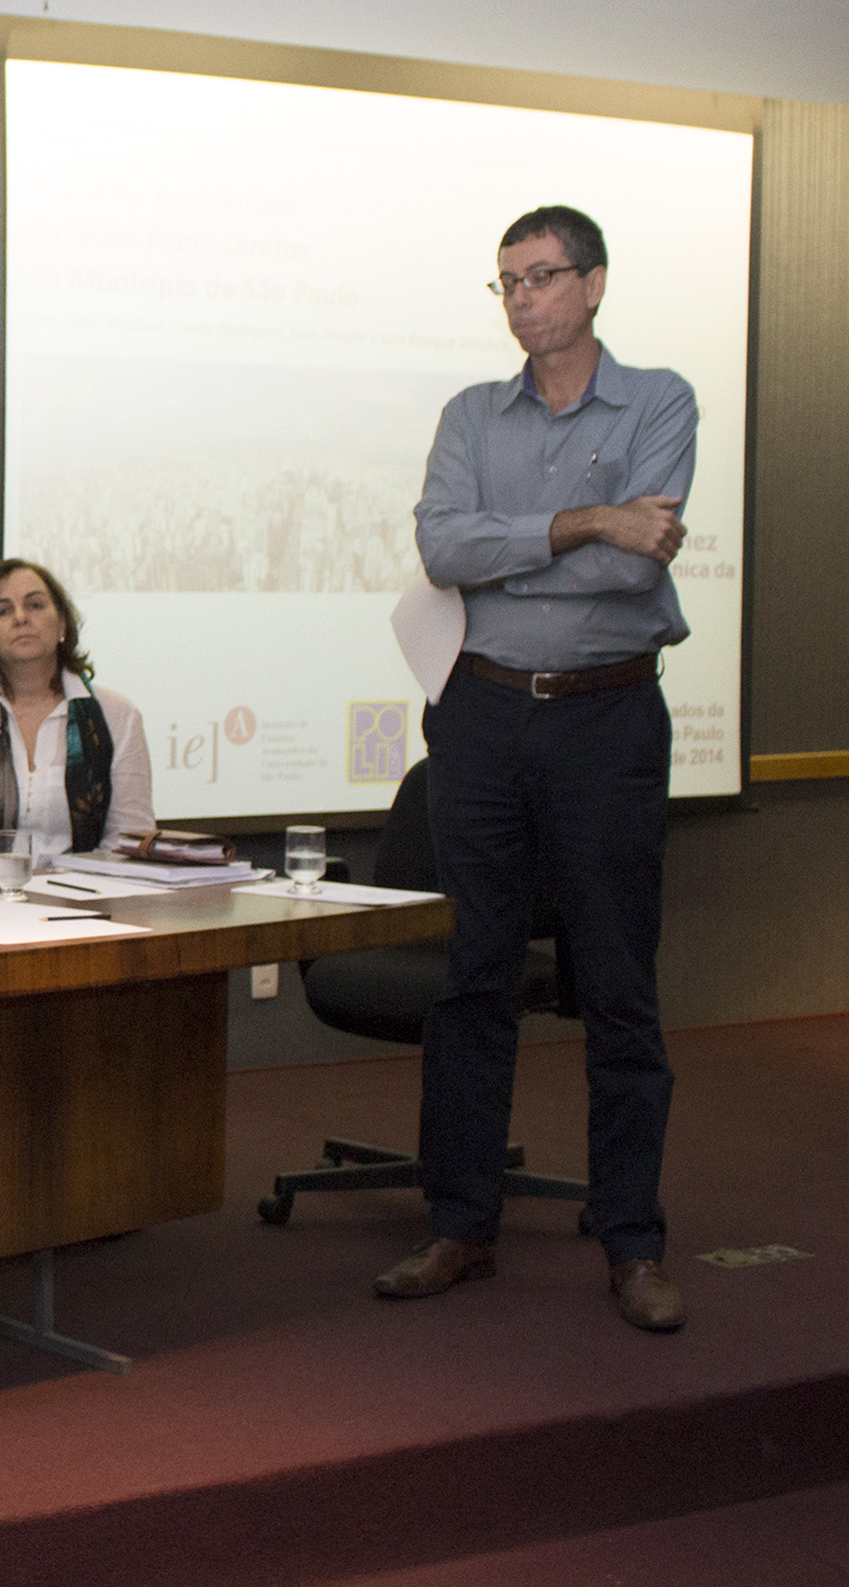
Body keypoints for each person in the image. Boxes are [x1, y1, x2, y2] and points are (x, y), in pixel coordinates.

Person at [382, 205, 695, 1333]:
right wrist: (590, 522)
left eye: (542, 277)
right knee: (472, 977)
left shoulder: (658, 400)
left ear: (594, 283)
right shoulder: (471, 414)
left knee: (615, 983)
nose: (522, 299)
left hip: (606, 726)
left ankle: (631, 1240)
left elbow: (635, 573)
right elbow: (442, 550)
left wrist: (531, 543)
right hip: (480, 720)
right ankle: (458, 1223)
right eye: (505, 282)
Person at [0, 557, 154, 864]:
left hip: (86, 902)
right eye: (3, 610)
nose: (21, 618)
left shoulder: (117, 715)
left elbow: (130, 840)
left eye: (35, 605)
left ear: (62, 624)